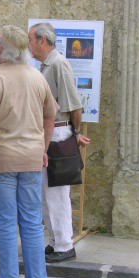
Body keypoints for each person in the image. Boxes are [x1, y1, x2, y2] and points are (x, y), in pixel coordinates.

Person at [0, 25, 58, 278]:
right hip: (31, 158)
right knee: (32, 221)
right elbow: (50, 117)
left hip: (2, 159)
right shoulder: (37, 77)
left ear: (0, 50)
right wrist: (42, 149)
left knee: (6, 221)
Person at [28, 23, 90, 263]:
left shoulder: (58, 64)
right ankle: (56, 241)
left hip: (59, 132)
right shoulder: (48, 65)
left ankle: (64, 244)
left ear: (42, 41)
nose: (29, 45)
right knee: (48, 192)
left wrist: (74, 133)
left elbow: (74, 105)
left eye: (31, 39)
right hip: (54, 131)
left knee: (56, 192)